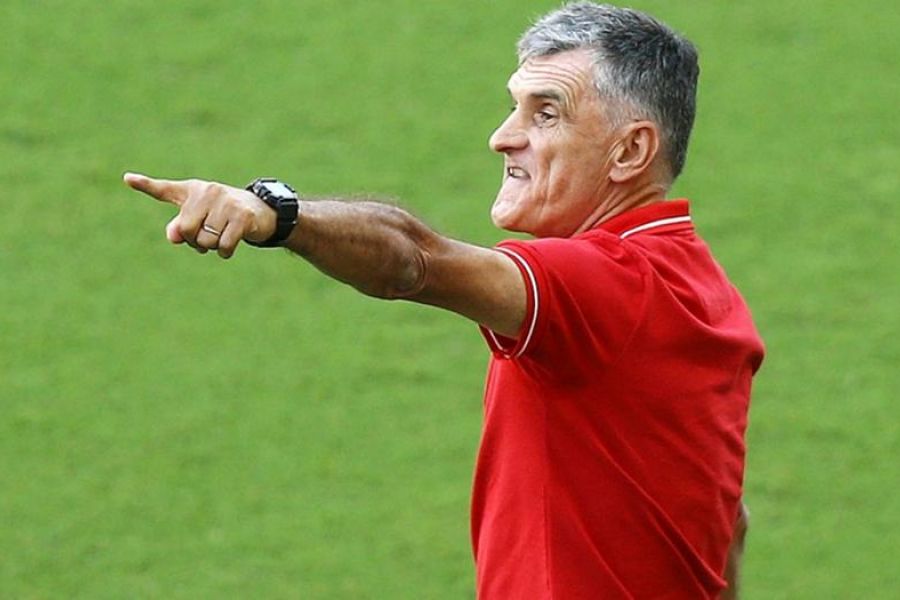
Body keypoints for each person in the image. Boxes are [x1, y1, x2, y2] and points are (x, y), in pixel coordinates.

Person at [124, 2, 764, 598]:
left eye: (545, 114)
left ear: (631, 151)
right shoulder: (705, 290)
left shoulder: (604, 284)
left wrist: (274, 214)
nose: (502, 137)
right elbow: (725, 524)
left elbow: (414, 262)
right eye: (514, 107)